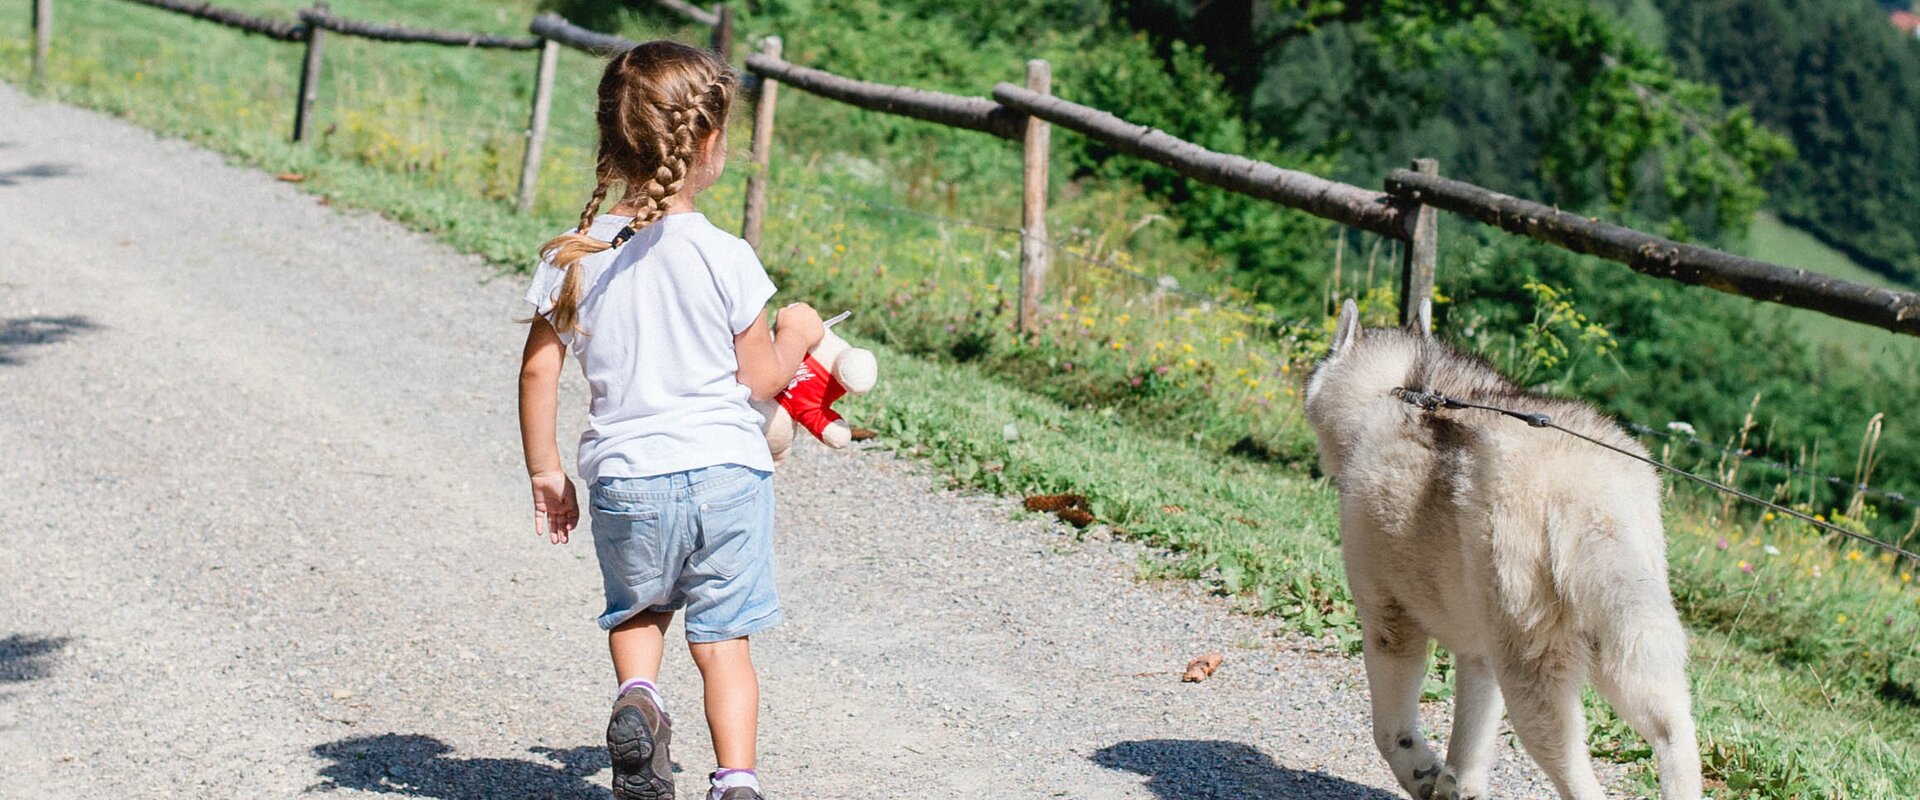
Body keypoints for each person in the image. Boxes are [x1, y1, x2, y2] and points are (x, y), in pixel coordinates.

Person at [516, 39, 822, 800]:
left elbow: (537, 371)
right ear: (710, 143)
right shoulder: (728, 255)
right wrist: (800, 333)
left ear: (610, 142)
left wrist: (546, 471)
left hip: (629, 479)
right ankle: (738, 781)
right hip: (727, 476)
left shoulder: (574, 256)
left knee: (639, 611)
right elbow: (760, 381)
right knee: (724, 645)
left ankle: (640, 701)